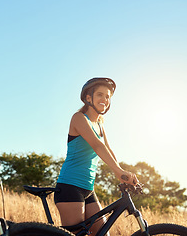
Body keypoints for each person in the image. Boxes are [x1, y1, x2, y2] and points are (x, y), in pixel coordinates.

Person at [54, 78, 139, 235]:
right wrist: (119, 171)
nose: (105, 100)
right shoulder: (78, 118)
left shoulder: (100, 124)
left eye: (107, 97)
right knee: (75, 234)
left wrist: (120, 173)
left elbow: (107, 149)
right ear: (88, 98)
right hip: (70, 186)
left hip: (88, 188)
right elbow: (97, 145)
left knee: (102, 233)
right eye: (100, 94)